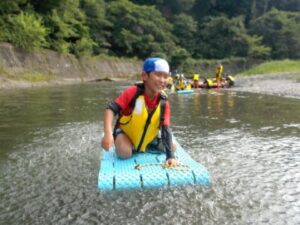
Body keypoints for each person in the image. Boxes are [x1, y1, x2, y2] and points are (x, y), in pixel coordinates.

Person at [101, 57, 178, 166]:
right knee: (124, 153)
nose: (162, 80)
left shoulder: (164, 102)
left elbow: (165, 128)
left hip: (148, 136)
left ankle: (148, 144)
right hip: (127, 134)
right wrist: (108, 134)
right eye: (158, 75)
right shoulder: (133, 92)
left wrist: (170, 156)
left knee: (172, 147)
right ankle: (130, 144)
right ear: (144, 76)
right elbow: (110, 109)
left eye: (165, 77)